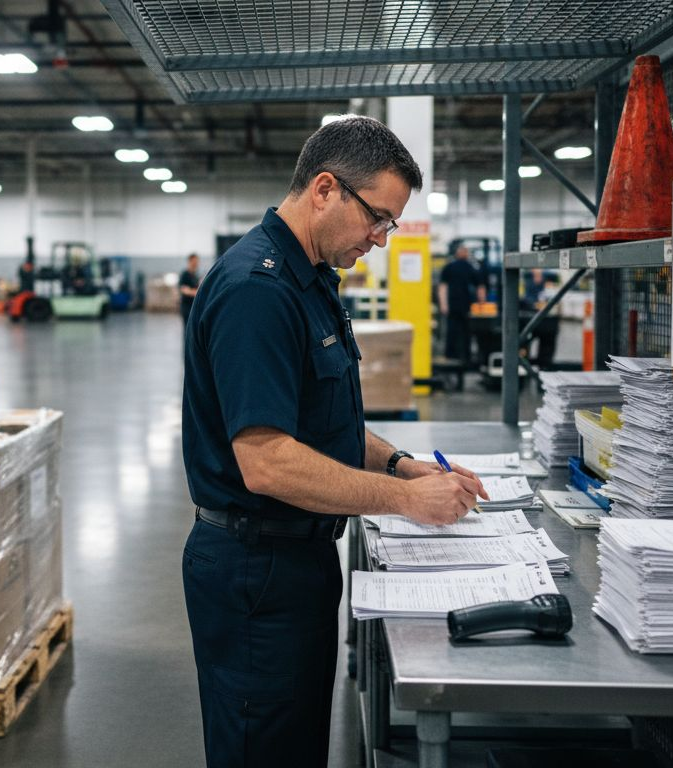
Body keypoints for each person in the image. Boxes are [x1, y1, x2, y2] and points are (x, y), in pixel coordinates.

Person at [181, 116, 489, 768]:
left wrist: (404, 468)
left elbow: (329, 428)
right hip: (255, 573)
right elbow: (266, 462)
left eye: (390, 225)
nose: (380, 239)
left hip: (296, 561)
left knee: (294, 747)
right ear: (325, 189)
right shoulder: (257, 292)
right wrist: (408, 503)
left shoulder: (310, 280)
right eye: (378, 218)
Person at [437, 245, 486, 365]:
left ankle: (450, 355)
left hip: (454, 305)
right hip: (466, 305)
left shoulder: (449, 267)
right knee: (466, 332)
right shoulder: (471, 268)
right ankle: (466, 357)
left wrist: (444, 305)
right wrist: (482, 304)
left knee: (452, 331)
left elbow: (442, 288)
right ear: (465, 254)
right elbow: (481, 287)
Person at [178, 252, 200, 323]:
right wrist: (197, 293)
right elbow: (184, 290)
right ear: (190, 262)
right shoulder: (184, 275)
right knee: (187, 328)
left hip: (194, 307)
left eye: (197, 261)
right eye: (194, 261)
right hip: (186, 307)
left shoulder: (196, 275)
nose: (196, 263)